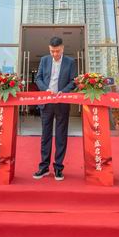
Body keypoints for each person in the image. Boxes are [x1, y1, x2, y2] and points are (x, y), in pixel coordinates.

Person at [32, 37, 77, 181]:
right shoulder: (45, 60)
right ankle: (44, 167)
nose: (55, 54)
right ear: (49, 49)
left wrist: (63, 91)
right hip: (46, 102)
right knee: (45, 135)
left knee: (61, 136)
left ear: (62, 48)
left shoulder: (70, 62)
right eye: (52, 51)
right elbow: (38, 78)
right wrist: (46, 89)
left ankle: (58, 168)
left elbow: (73, 81)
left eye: (57, 51)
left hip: (62, 102)